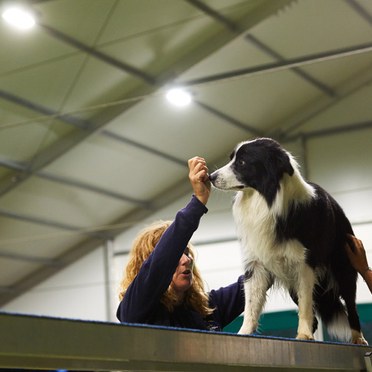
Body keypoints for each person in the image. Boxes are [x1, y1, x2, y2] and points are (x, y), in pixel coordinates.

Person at [116, 156, 245, 331]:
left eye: (186, 252)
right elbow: (161, 260)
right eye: (177, 254)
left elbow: (255, 279)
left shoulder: (207, 308)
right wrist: (198, 202)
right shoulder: (136, 310)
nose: (186, 260)